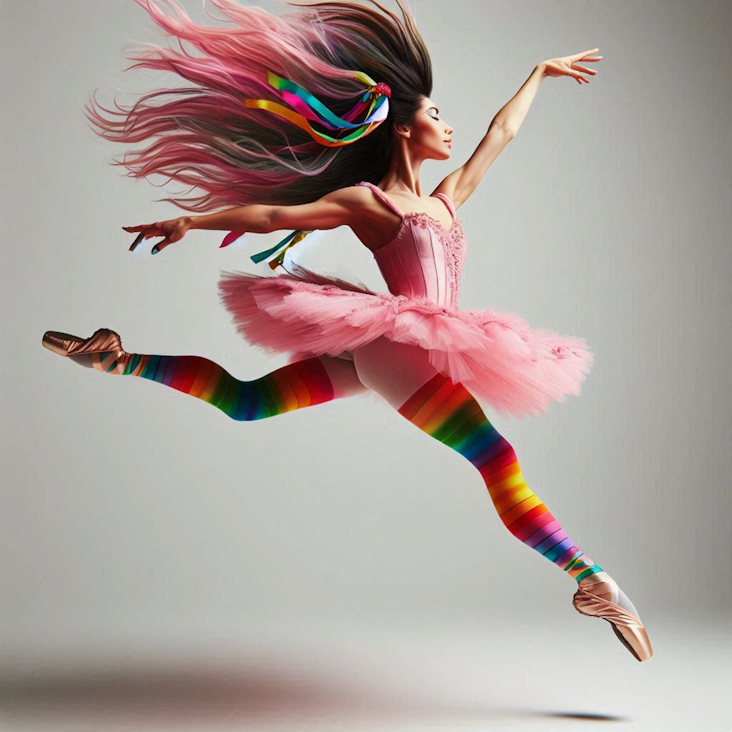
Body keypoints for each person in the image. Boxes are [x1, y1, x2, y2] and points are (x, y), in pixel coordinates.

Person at [42, 0, 651, 661]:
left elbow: (499, 136)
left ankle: (118, 359)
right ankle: (592, 581)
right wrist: (193, 221)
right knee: (496, 459)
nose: (448, 124)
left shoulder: (447, 198)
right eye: (436, 115)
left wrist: (538, 73)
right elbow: (277, 213)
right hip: (397, 346)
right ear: (402, 129)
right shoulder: (371, 203)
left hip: (406, 351)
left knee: (249, 403)